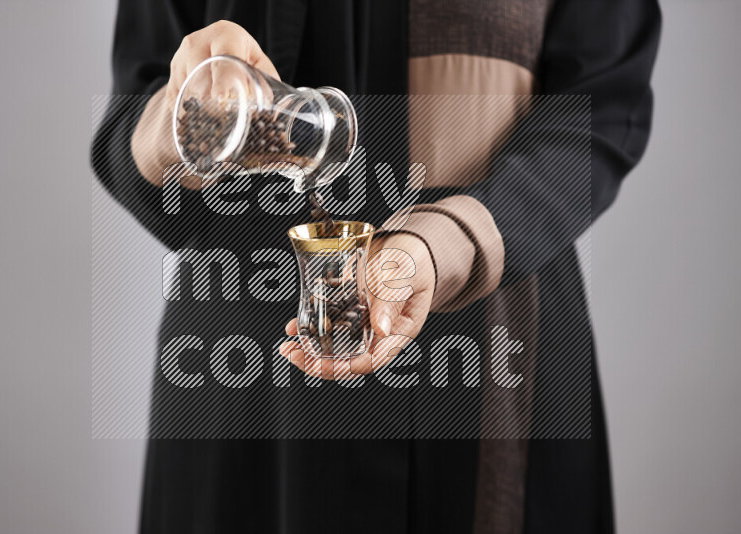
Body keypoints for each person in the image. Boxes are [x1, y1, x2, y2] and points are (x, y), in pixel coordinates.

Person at [92, 0, 661, 532]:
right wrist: (186, 116)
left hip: (495, 343)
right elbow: (129, 138)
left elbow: (600, 110)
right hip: (247, 376)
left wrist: (442, 243)